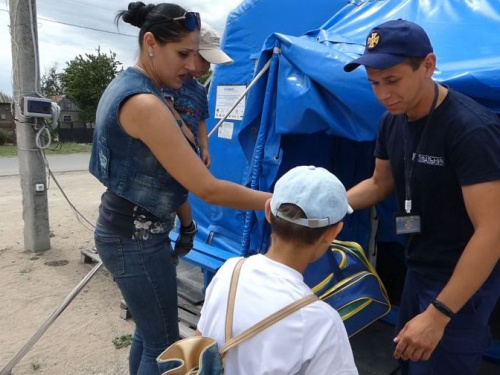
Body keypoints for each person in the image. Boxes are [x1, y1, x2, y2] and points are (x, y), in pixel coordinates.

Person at [88, 3, 271, 374]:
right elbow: (209, 189)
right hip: (136, 239)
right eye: (183, 54)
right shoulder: (146, 103)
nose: (191, 66)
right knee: (165, 346)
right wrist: (274, 200)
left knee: (148, 333)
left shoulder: (135, 86)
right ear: (151, 43)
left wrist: (186, 224)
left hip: (129, 231)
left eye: (194, 54)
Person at [344, 19, 500, 374]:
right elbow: (379, 183)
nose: (383, 94)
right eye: (374, 84)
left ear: (428, 65)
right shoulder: (392, 121)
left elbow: (492, 232)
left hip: (462, 283)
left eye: (393, 80)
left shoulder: (471, 130)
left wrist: (439, 314)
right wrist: (322, 208)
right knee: (408, 357)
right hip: (419, 266)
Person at [197, 166, 359, 375]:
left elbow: (199, 345)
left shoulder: (229, 271)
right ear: (333, 233)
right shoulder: (322, 322)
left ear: (267, 212)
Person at [163, 25, 233, 264]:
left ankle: (185, 229)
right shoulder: (170, 82)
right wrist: (183, 130)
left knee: (182, 191)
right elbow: (167, 107)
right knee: (170, 191)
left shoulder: (200, 90)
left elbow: (202, 120)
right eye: (205, 60)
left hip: (190, 150)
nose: (207, 67)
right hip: (171, 148)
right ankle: (175, 235)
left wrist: (204, 147)